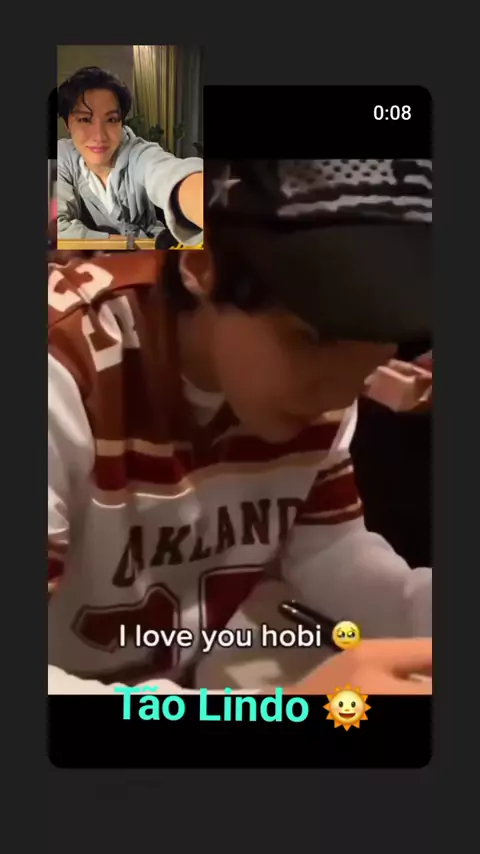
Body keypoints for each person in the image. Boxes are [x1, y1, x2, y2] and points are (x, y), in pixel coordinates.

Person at [48, 158, 432, 692]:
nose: (342, 392)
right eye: (314, 337)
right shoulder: (64, 367)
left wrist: (422, 612)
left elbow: (327, 549)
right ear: (202, 265)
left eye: (383, 335)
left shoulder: (297, 389)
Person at [57, 66, 203, 244]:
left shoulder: (137, 154)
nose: (99, 136)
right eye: (85, 119)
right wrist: (128, 243)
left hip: (152, 253)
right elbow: (55, 227)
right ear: (67, 124)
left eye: (111, 120)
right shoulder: (62, 157)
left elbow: (167, 173)